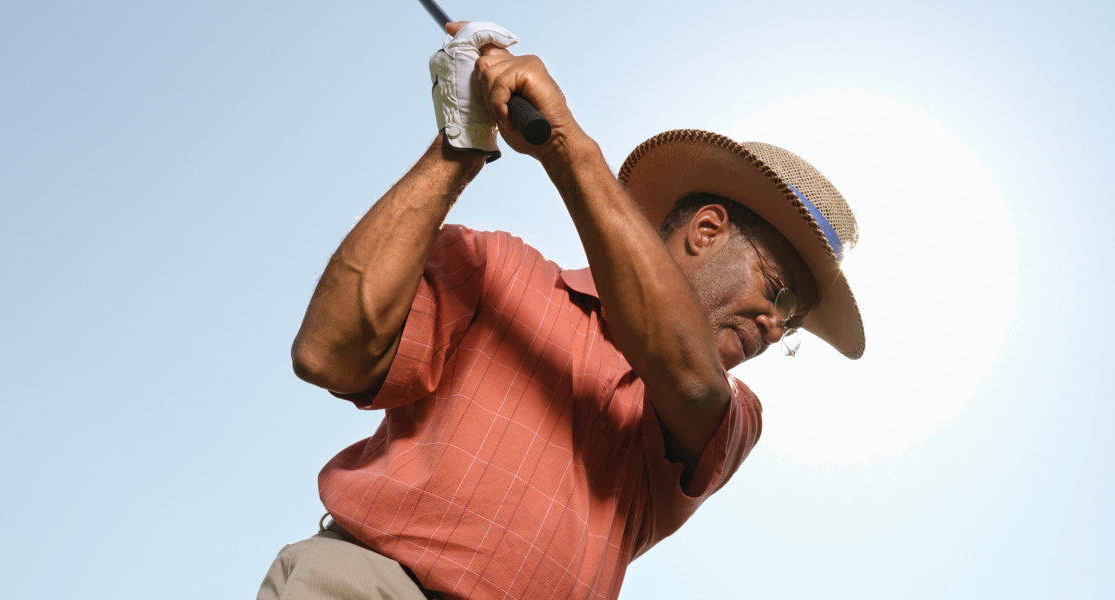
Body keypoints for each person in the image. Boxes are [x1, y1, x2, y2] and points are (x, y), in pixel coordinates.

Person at [256, 21, 865, 600]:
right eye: (780, 292)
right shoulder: (494, 266)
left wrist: (566, 143)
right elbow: (327, 354)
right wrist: (459, 146)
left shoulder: (733, 414)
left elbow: (684, 374)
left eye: (794, 325)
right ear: (706, 230)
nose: (777, 325)